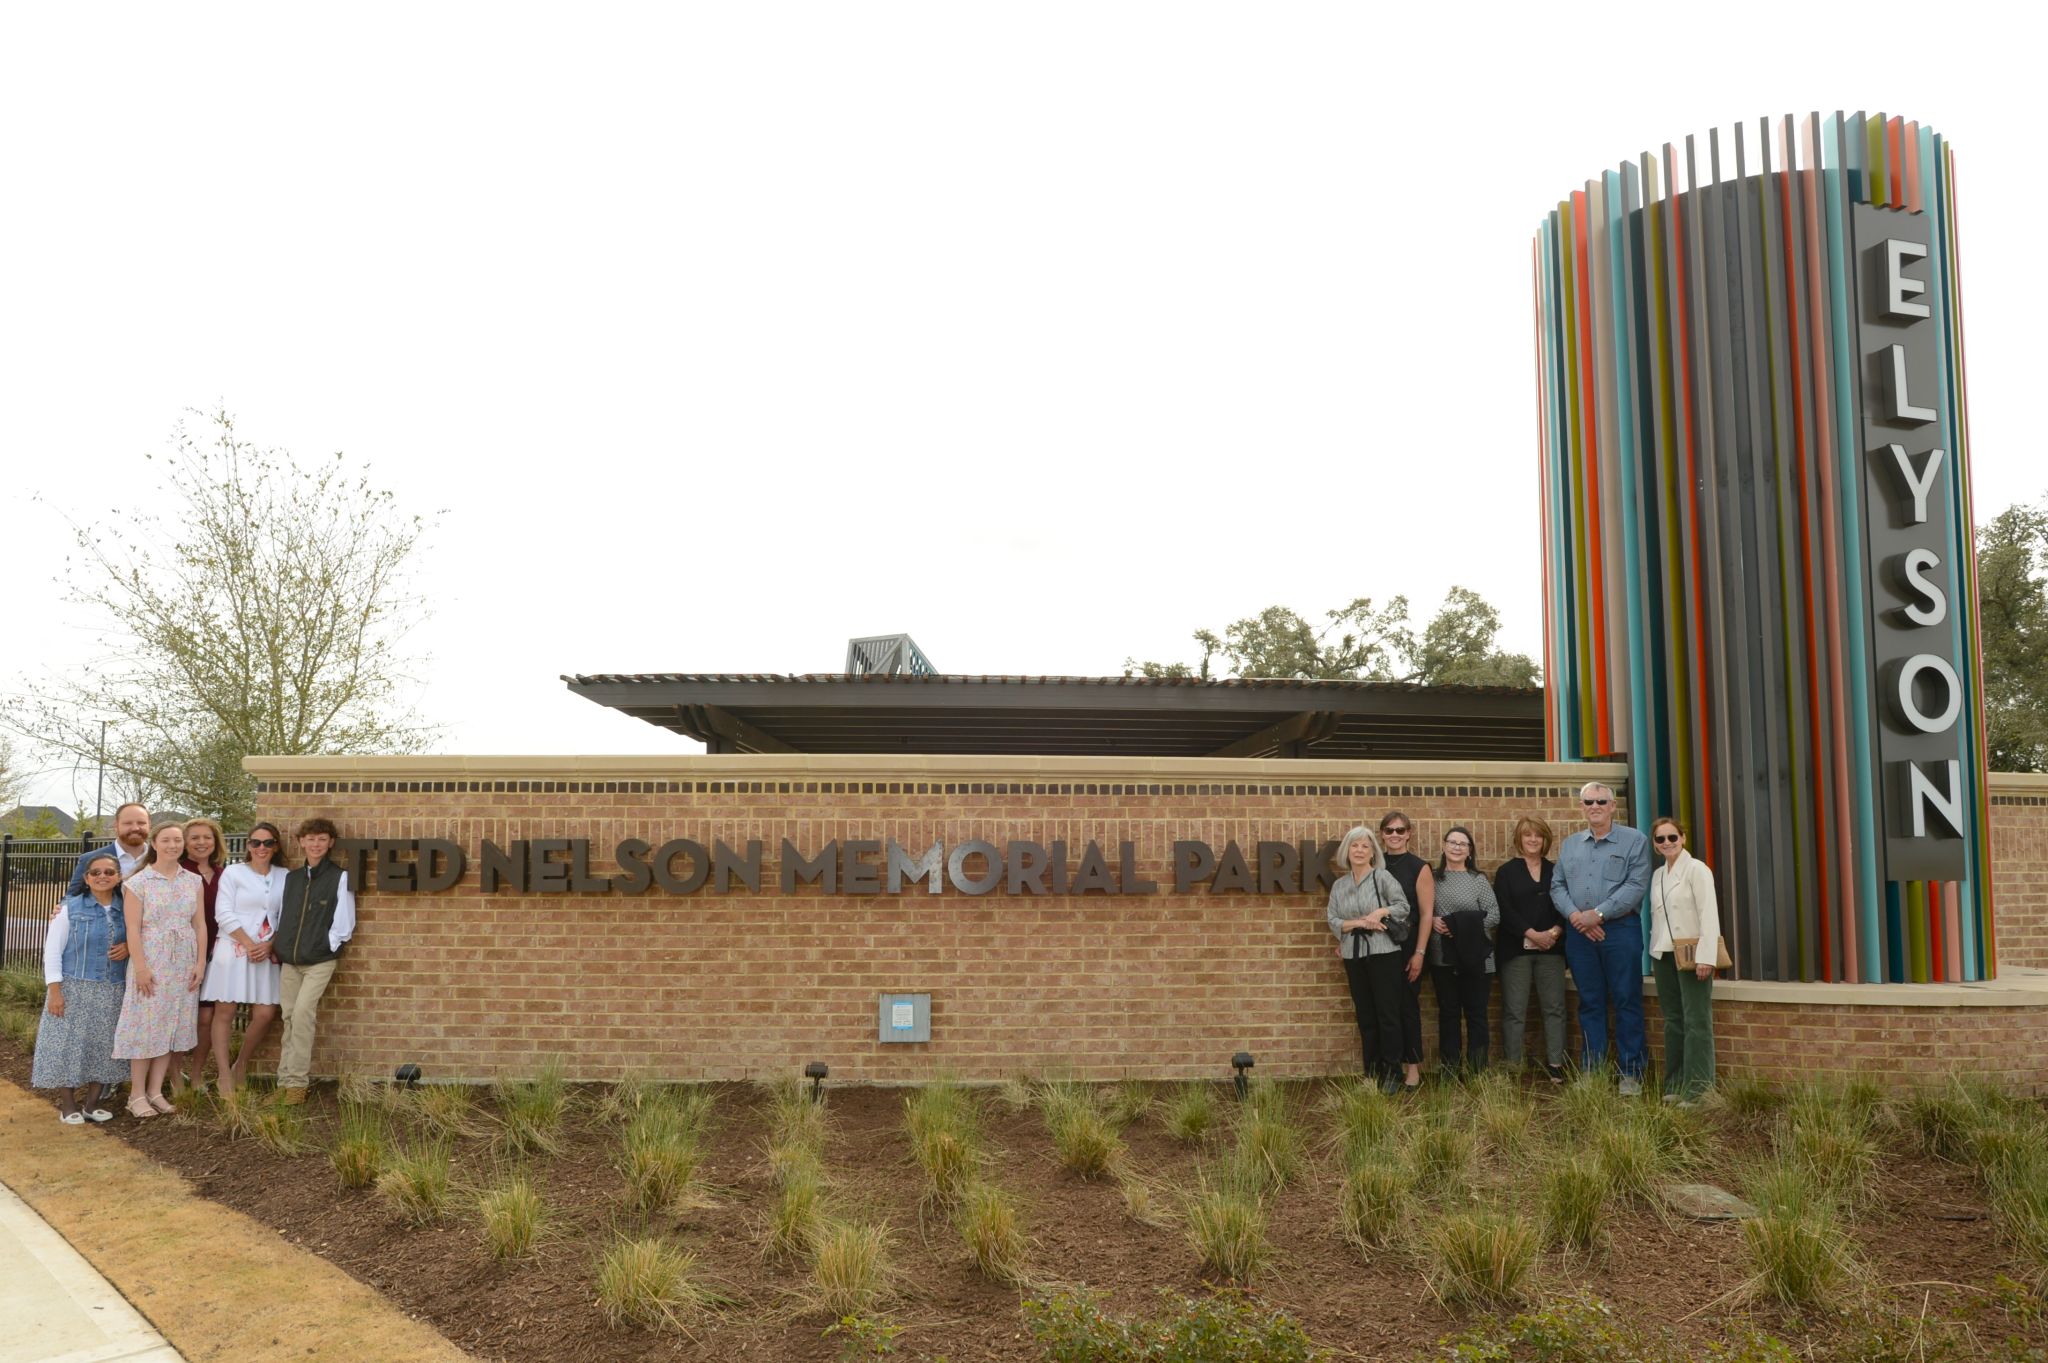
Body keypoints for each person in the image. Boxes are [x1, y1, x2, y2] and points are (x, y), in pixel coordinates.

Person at [1550, 781, 1653, 1094]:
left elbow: (1637, 885)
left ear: (1612, 806)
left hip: (1620, 931)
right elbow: (1557, 886)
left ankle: (1631, 1073)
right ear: (1582, 807)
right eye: (1588, 802)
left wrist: (1599, 914)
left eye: (1600, 801)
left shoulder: (1634, 841)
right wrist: (1576, 917)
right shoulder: (1570, 845)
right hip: (1579, 935)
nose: (1594, 807)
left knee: (1626, 1000)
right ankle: (1593, 1072)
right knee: (1590, 1003)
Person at [110, 823, 206, 1118]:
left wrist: (200, 963)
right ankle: (136, 1095)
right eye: (167, 840)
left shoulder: (193, 880)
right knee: (145, 1027)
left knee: (170, 1026)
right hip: (151, 961)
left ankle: (155, 1091)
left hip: (183, 963)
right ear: (155, 843)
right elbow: (133, 929)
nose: (173, 845)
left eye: (178, 840)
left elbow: (199, 924)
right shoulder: (139, 882)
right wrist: (140, 967)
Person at [31, 851, 131, 1123]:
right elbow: (52, 951)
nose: (102, 877)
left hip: (112, 988)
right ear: (86, 879)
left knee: (103, 1047)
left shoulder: (128, 908)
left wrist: (130, 946)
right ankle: (68, 1105)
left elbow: (142, 938)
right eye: (95, 873)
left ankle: (92, 1104)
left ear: (118, 877)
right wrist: (55, 991)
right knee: (68, 1046)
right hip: (74, 987)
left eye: (109, 872)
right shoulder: (69, 908)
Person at [272, 817, 355, 1105]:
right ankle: (284, 1083)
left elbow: (344, 922)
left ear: (330, 842)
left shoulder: (339, 876)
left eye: (322, 839)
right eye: (310, 839)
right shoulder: (291, 878)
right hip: (290, 961)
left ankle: (297, 1085)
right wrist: (282, 945)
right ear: (301, 842)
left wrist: (325, 945)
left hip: (319, 960)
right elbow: (283, 916)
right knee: (288, 1018)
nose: (316, 844)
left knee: (302, 1015)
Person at [201, 821, 287, 1093]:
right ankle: (224, 1074)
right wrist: (249, 944)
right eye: (256, 843)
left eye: (268, 842)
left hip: (267, 951)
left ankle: (241, 1065)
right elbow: (222, 912)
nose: (261, 848)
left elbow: (287, 916)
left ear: (276, 846)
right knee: (224, 1011)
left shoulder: (285, 875)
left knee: (265, 1012)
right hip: (234, 946)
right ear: (248, 845)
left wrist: (270, 944)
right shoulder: (233, 873)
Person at [1325, 826, 1412, 1095]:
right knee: (1366, 1015)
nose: (1360, 850)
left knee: (1387, 1014)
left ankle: (1393, 1072)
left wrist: (1381, 911)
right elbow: (1333, 920)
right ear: (1347, 851)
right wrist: (1361, 922)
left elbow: (1403, 907)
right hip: (1353, 954)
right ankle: (1371, 1070)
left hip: (1384, 953)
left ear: (1373, 851)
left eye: (1365, 846)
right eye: (1355, 846)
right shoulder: (1340, 885)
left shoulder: (1382, 877)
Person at [1647, 816, 1721, 1105]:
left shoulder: (1697, 870)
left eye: (1672, 837)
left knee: (1696, 1021)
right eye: (1660, 839)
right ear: (1655, 844)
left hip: (1692, 954)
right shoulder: (1657, 875)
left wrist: (1706, 956)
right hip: (1664, 954)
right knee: (1674, 1020)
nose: (1667, 843)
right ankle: (1676, 1084)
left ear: (1683, 838)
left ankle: (1700, 1089)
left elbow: (1708, 914)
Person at [1494, 816, 1567, 1083]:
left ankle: (1556, 1064)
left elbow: (1566, 905)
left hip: (1552, 949)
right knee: (1515, 1010)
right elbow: (1504, 909)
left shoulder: (1556, 870)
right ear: (1519, 839)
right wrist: (1531, 934)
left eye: (1538, 835)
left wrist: (1555, 932)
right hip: (1516, 950)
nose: (1533, 840)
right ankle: (1514, 1066)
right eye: (1527, 835)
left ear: (1545, 839)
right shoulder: (1506, 872)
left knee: (1555, 1008)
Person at [1425, 826, 1499, 1075]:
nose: (1457, 847)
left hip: (1477, 958)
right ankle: (1450, 1070)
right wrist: (1432, 920)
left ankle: (1478, 1071)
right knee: (1448, 1013)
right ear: (1444, 846)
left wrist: (1458, 926)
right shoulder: (1432, 879)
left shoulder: (1477, 880)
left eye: (1463, 844)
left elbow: (1494, 916)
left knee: (1477, 1014)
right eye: (1452, 842)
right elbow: (1422, 910)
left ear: (1469, 851)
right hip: (1442, 956)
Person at [1377, 812, 1434, 1090]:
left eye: (1400, 830)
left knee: (1407, 1006)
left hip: (1408, 945)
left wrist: (1420, 953)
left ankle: (1413, 1067)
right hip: (1378, 946)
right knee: (1385, 1008)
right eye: (1389, 830)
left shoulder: (1418, 867)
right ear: (1382, 834)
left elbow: (1425, 914)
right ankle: (1390, 1066)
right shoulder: (1374, 864)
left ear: (1409, 833)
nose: (1395, 835)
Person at [174, 816, 227, 1094]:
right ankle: (173, 1075)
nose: (201, 842)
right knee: (179, 1017)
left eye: (207, 837)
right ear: (185, 843)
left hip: (215, 956)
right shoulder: (176, 871)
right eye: (194, 837)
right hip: (181, 956)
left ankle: (195, 1075)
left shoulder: (225, 875)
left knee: (206, 1019)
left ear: (215, 841)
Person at [66, 801, 151, 895]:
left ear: (149, 825)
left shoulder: (161, 858)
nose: (135, 828)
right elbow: (70, 898)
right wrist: (62, 906)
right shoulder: (89, 859)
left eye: (141, 823)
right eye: (128, 823)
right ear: (116, 826)